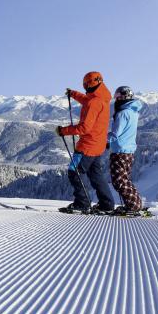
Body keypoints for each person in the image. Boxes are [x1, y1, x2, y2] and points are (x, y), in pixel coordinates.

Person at [55, 71, 115, 213]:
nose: (84, 88)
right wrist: (74, 94)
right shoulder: (101, 98)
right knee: (96, 175)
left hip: (87, 146)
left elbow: (84, 128)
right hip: (98, 145)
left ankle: (82, 203)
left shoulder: (94, 102)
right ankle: (107, 204)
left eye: (85, 85)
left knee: (74, 171)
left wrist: (64, 131)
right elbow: (87, 100)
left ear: (89, 84)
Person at [107, 86, 144, 214]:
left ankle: (133, 206)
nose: (116, 100)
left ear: (124, 97)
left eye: (118, 97)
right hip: (128, 150)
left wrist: (104, 141)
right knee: (124, 179)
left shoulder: (123, 113)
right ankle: (135, 203)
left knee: (118, 180)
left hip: (120, 150)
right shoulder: (133, 111)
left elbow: (115, 133)